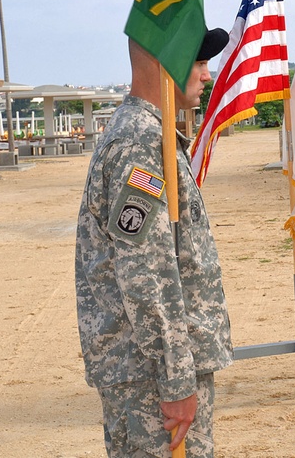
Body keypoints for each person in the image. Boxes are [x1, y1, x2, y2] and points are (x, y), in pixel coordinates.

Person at [75, 29, 233, 458]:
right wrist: (176, 379)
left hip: (145, 369)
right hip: (150, 377)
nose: (207, 73)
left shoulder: (149, 135)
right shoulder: (141, 144)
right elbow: (146, 273)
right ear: (166, 63)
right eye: (198, 62)